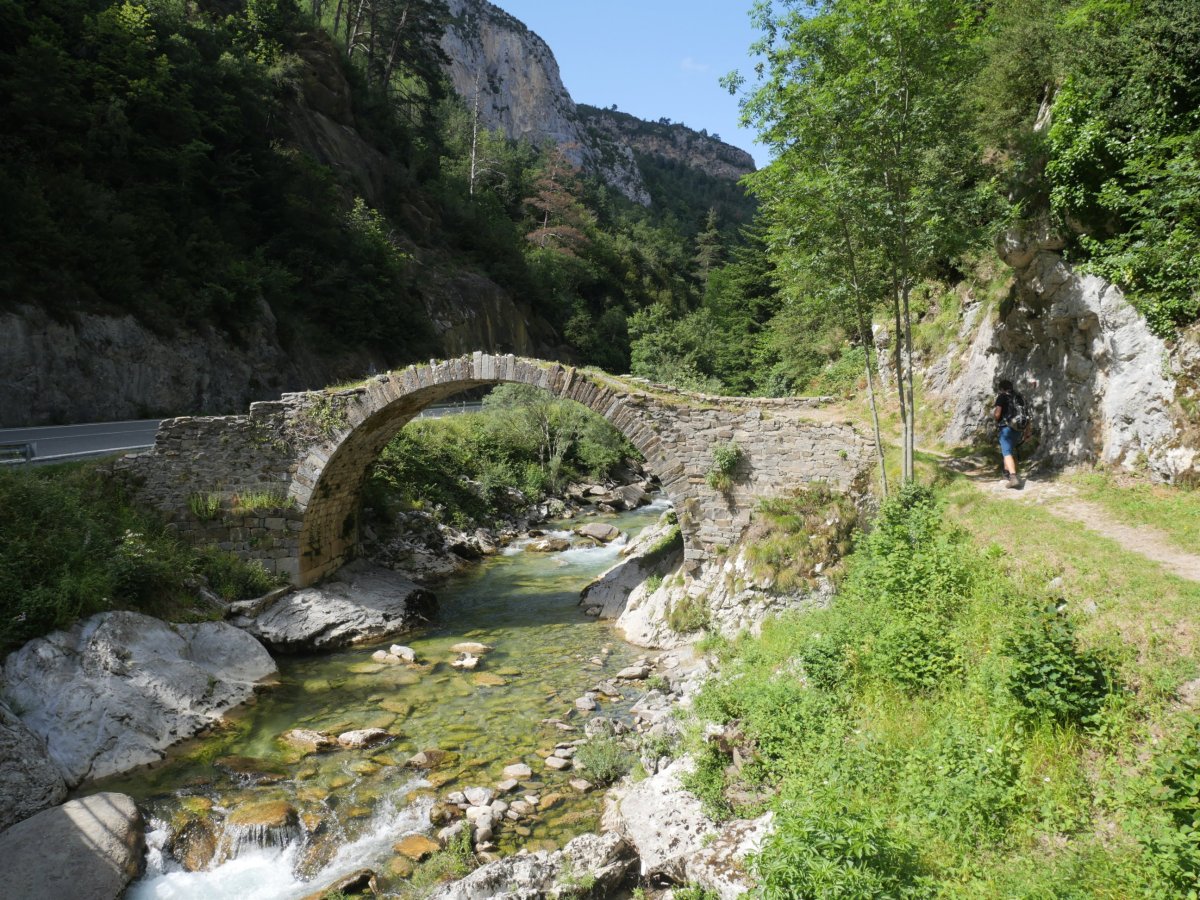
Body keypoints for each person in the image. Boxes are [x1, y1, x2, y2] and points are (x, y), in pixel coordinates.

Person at [992, 379, 1029, 489]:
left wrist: (994, 416)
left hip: (1006, 428)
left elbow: (998, 414)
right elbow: (1027, 414)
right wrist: (1028, 432)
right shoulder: (1019, 397)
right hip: (1018, 429)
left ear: (1001, 389)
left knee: (1006, 452)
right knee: (1008, 451)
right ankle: (1006, 474)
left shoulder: (1002, 396)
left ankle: (1013, 477)